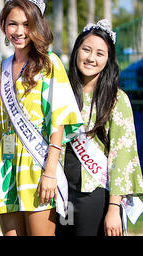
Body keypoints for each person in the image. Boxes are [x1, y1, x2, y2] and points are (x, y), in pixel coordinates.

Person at [0, 0, 83, 236]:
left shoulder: (50, 64)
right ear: (4, 26)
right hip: (6, 168)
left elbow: (59, 121)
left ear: (36, 26)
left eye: (26, 24)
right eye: (12, 24)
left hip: (38, 165)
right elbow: (0, 127)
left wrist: (50, 171)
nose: (19, 31)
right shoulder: (2, 69)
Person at [56, 19, 143, 236]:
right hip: (62, 193)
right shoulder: (60, 92)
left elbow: (123, 154)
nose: (91, 58)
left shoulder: (116, 100)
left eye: (100, 53)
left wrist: (114, 207)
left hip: (94, 194)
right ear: (77, 51)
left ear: (108, 60)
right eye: (86, 50)